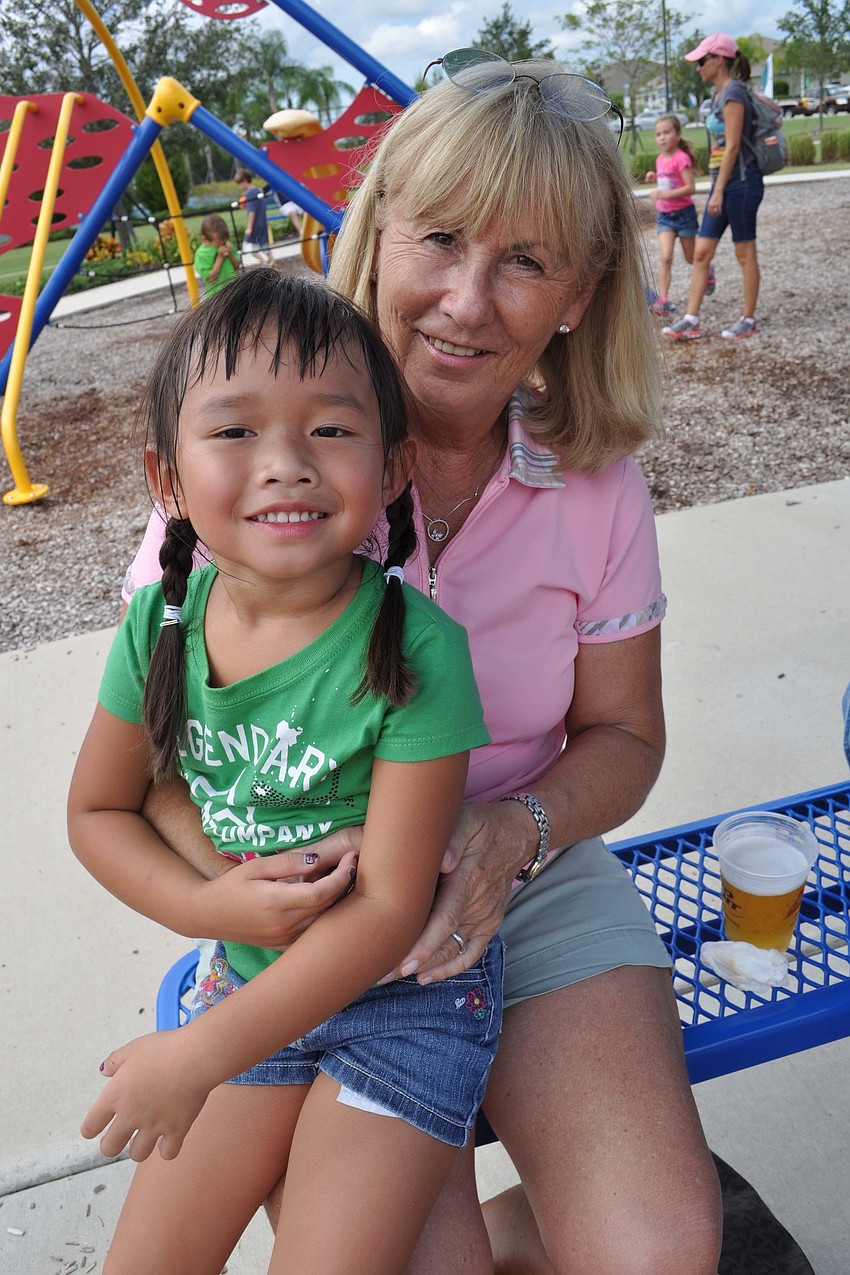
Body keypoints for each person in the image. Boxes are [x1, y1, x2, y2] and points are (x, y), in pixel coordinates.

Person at [123, 49, 723, 1274]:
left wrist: (515, 833)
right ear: (377, 232)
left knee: (656, 1258)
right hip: (308, 905)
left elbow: (626, 737)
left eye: (525, 261)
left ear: (579, 292)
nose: (464, 299)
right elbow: (148, 761)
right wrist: (238, 887)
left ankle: (529, 1222)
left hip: (528, 878)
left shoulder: (596, 489)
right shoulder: (255, 466)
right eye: (439, 239)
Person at [68, 269, 501, 1275]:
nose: (285, 465)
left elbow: (391, 909)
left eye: (331, 430)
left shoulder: (417, 649)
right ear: (164, 479)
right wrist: (210, 907)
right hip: (245, 983)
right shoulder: (157, 627)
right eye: (233, 432)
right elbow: (99, 809)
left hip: (403, 1003)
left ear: (392, 468)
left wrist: (198, 1055)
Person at [663, 34, 764, 341]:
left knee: (744, 253)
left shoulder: (734, 92)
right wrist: (717, 187)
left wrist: (717, 191)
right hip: (724, 184)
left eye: (701, 61)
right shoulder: (719, 96)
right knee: (703, 252)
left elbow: (732, 147)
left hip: (741, 184)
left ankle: (748, 319)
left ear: (719, 60)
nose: (698, 68)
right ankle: (691, 320)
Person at [644, 114, 715, 316]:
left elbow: (690, 188)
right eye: (658, 134)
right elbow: (667, 180)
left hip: (684, 215)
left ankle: (708, 270)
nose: (662, 138)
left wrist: (663, 193)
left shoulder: (681, 158)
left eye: (667, 132)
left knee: (691, 257)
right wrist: (655, 178)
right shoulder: (660, 159)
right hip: (665, 216)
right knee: (665, 257)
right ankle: (663, 300)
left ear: (678, 134)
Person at [193, 213, 240, 296]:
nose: (222, 246)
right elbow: (211, 278)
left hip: (234, 291)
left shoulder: (227, 245)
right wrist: (220, 257)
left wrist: (230, 255)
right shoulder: (201, 254)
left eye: (224, 243)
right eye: (218, 245)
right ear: (204, 239)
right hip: (216, 296)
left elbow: (237, 267)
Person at [236, 167, 273, 265]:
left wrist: (249, 228)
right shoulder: (257, 190)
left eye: (239, 183)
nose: (239, 186)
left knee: (248, 248)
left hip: (255, 225)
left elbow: (252, 211)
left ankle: (265, 263)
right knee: (264, 246)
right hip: (262, 223)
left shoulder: (249, 193)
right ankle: (270, 262)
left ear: (244, 181)